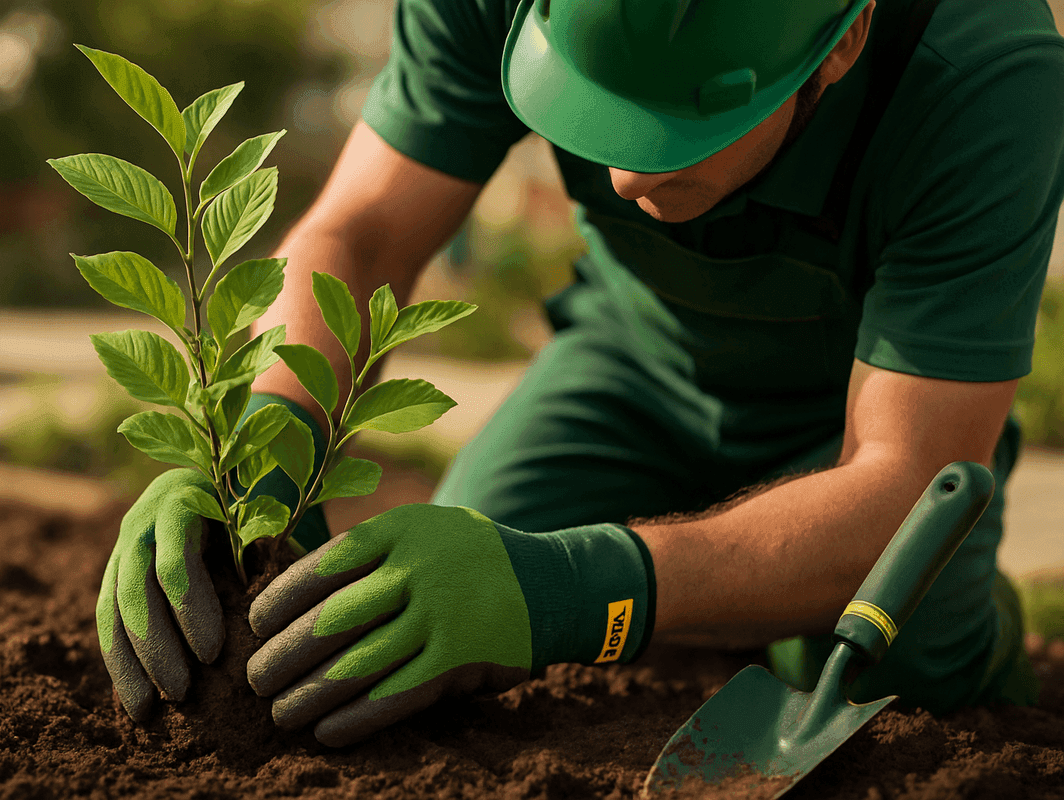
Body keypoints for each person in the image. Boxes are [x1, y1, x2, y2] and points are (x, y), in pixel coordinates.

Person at [96, 0, 1064, 747]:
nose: (623, 181)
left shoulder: (981, 69)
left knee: (903, 673)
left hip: (863, 423)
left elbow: (901, 475)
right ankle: (717, 594)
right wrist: (264, 452)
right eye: (601, 115)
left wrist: (574, 590)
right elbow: (362, 232)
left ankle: (960, 631)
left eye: (683, 127)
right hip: (632, 366)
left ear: (844, 42)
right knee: (426, 625)